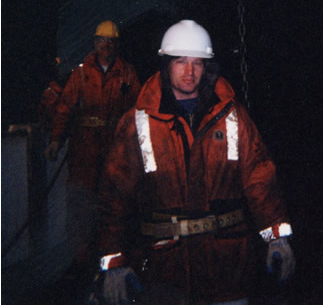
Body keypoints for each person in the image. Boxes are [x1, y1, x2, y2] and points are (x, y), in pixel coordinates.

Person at [96, 19, 295, 305]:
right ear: (166, 65)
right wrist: (112, 259)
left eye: (198, 63)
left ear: (208, 66)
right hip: (165, 270)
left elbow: (260, 177)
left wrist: (277, 236)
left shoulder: (232, 116)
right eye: (180, 61)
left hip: (227, 267)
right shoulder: (138, 122)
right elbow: (113, 195)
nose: (189, 72)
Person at [44, 20, 141, 278]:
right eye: (101, 40)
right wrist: (56, 139)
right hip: (84, 150)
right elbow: (64, 108)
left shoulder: (128, 74)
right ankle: (82, 262)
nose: (105, 46)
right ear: (94, 43)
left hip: (115, 149)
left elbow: (137, 114)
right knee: (81, 204)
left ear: (116, 44)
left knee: (115, 200)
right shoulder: (81, 74)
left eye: (110, 41)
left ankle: (113, 257)